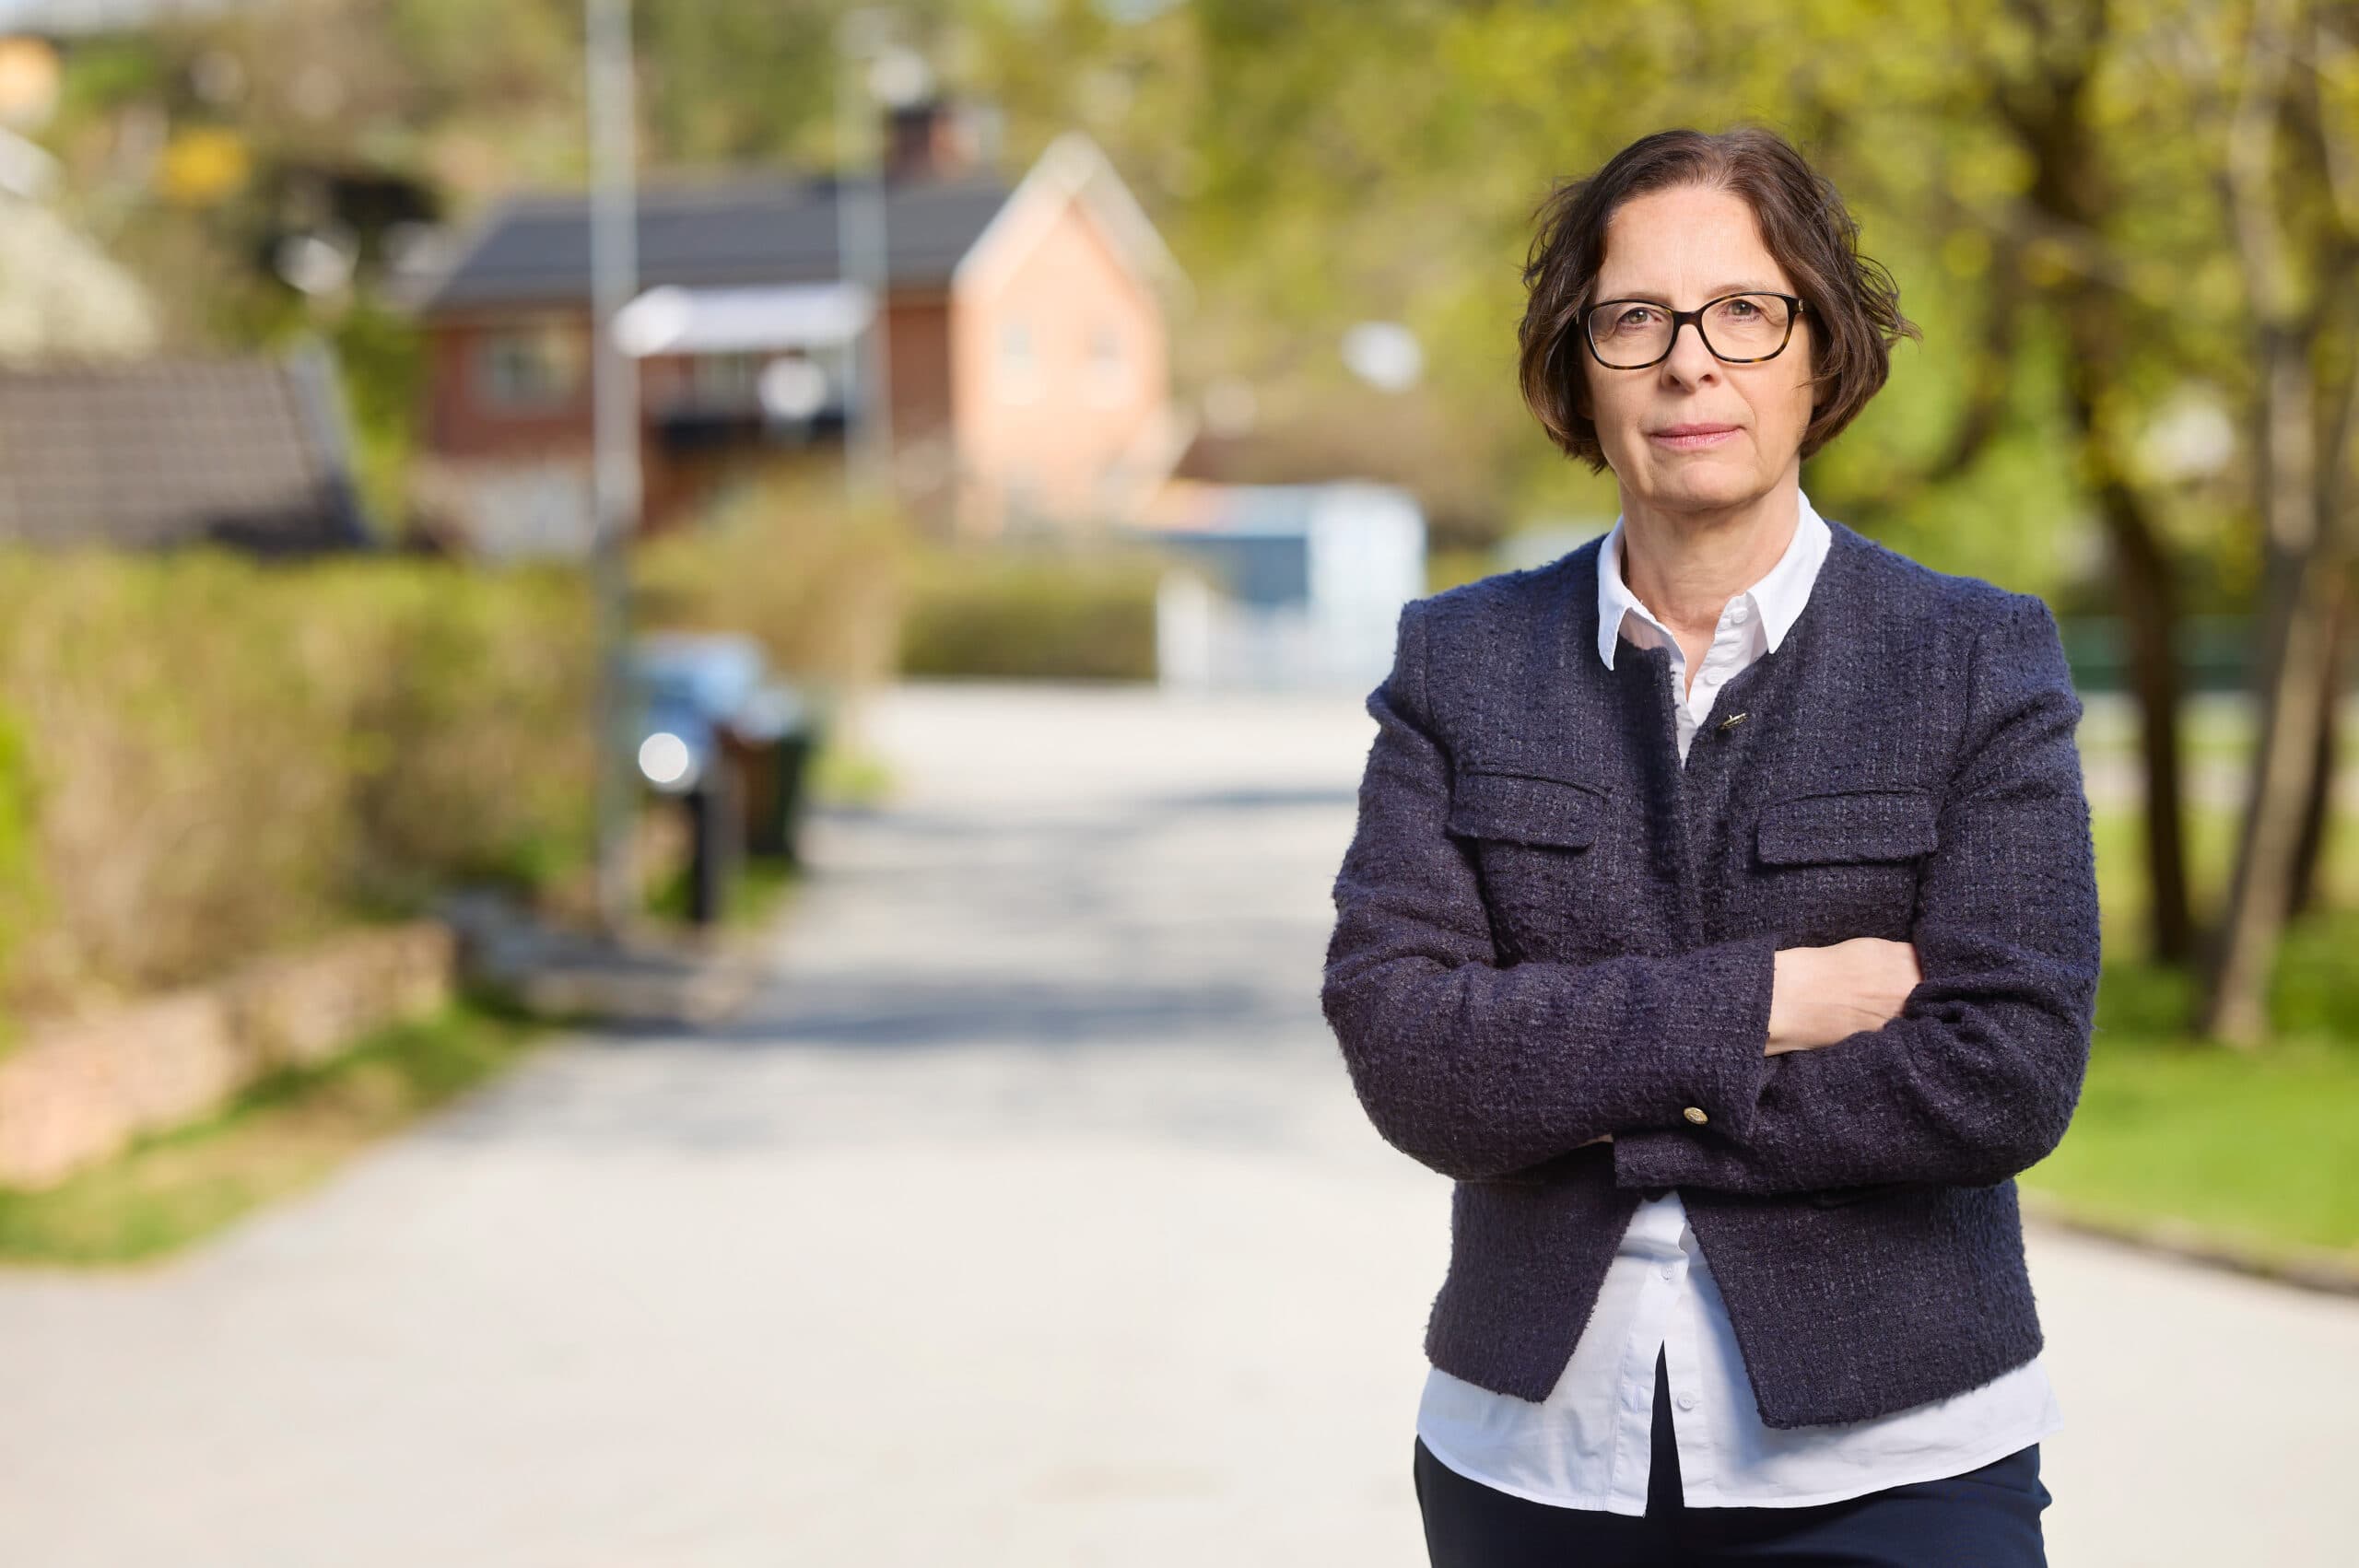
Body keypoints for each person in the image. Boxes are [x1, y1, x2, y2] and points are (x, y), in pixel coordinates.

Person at [1320, 124, 2099, 1566]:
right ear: (1578, 365)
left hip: (1899, 1468)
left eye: (1746, 311)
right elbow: (1409, 1047)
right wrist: (1770, 1008)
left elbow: (2006, 1072)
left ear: (1821, 350)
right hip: (1530, 1467)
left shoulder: (1977, 659)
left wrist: (1574, 1098)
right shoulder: (1459, 661)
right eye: (1636, 318)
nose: (1692, 360)